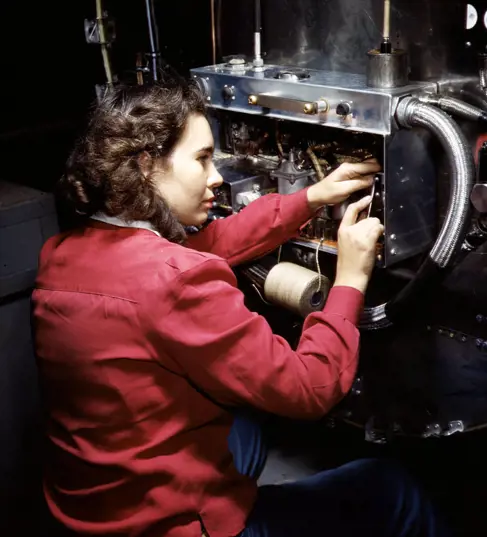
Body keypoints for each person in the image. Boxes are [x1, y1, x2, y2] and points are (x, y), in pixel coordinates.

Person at [32, 80, 452, 537]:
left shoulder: (61, 253)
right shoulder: (177, 281)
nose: (217, 177)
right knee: (392, 488)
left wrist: (309, 198)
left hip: (88, 510)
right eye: (202, 159)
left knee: (247, 431)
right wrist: (350, 277)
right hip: (169, 527)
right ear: (146, 166)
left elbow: (204, 247)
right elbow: (312, 387)